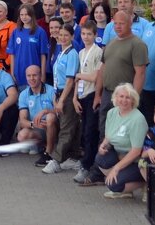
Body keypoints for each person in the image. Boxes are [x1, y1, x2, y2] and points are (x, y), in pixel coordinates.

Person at [77, 83, 148, 200]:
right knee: (100, 158)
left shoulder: (137, 119)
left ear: (133, 100)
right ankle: (126, 189)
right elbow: (108, 136)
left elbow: (136, 151)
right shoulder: (112, 113)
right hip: (120, 156)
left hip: (136, 161)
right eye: (121, 96)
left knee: (112, 184)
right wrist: (103, 145)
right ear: (115, 97)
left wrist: (116, 168)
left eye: (128, 97)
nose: (124, 100)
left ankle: (145, 183)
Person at [93, 10, 148, 141]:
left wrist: (133, 99)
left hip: (125, 97)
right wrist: (97, 94)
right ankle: (104, 158)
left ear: (130, 24)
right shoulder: (111, 43)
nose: (118, 26)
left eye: (121, 23)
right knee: (104, 128)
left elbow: (140, 73)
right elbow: (102, 69)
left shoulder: (137, 45)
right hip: (107, 94)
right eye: (115, 23)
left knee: (122, 132)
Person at [44, 19, 82, 174]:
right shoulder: (60, 53)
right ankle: (72, 157)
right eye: (60, 35)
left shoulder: (72, 54)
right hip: (59, 93)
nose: (63, 38)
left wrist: (62, 100)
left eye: (66, 35)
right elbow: (56, 77)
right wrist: (55, 96)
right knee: (68, 126)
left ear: (72, 37)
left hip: (67, 94)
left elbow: (70, 80)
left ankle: (56, 159)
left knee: (66, 128)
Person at [72, 19, 104, 184]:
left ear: (95, 35)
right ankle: (86, 162)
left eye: (89, 34)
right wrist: (74, 98)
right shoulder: (81, 52)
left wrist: (78, 76)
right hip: (82, 96)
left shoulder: (98, 52)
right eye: (83, 34)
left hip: (92, 95)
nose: (86, 37)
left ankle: (89, 166)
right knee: (84, 131)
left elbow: (95, 77)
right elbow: (79, 77)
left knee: (91, 132)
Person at [16, 64, 58, 166]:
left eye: (34, 75)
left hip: (53, 126)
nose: (32, 78)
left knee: (50, 117)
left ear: (40, 76)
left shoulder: (51, 91)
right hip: (38, 128)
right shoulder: (23, 94)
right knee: (21, 136)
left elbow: (59, 112)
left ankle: (48, 152)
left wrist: (45, 111)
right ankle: (41, 146)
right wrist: (33, 124)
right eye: (29, 76)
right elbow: (22, 120)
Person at [7, 4, 48, 88]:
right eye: (21, 15)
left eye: (26, 14)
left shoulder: (40, 32)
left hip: (34, 73)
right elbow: (12, 54)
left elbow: (43, 55)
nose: (24, 17)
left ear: (32, 15)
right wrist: (12, 73)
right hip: (19, 73)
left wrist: (43, 75)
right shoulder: (16, 32)